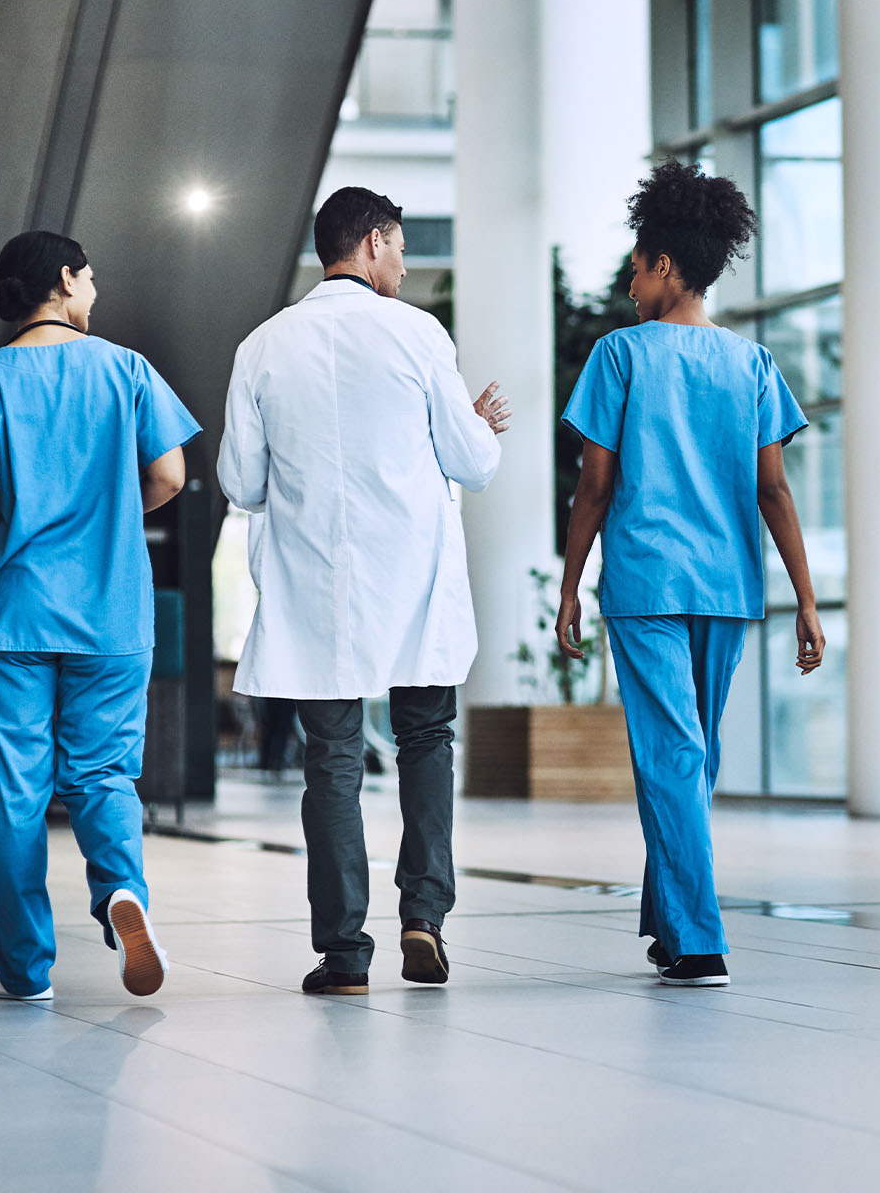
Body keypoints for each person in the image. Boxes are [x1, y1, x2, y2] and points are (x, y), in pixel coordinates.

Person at [218, 186, 509, 996]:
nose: (406, 265)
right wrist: (477, 424)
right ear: (374, 242)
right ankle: (424, 916)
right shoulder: (419, 334)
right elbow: (473, 462)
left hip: (319, 588)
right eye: (403, 248)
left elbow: (240, 481)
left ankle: (344, 955)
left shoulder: (263, 346)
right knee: (425, 742)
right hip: (414, 583)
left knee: (333, 763)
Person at [556, 160, 824, 988]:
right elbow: (772, 490)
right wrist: (805, 604)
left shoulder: (619, 355)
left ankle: (701, 942)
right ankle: (671, 924)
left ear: (665, 264)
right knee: (691, 760)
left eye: (637, 268)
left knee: (674, 758)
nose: (632, 285)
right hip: (728, 587)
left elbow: (595, 485)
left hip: (645, 585)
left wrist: (568, 585)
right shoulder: (751, 367)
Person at [0, 230, 200, 1001]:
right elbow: (171, 476)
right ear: (66, 280)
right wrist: (110, 508)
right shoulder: (128, 370)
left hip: (12, 615)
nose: (96, 292)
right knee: (104, 772)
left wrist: (23, 513)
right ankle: (123, 895)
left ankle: (24, 969)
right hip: (111, 610)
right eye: (91, 278)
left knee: (17, 791)